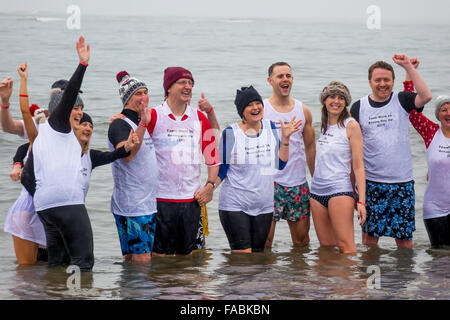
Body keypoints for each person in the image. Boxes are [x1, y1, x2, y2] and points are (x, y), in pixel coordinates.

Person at [21, 36, 95, 271]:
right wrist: (82, 64)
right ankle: (78, 295)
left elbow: (26, 176)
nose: (78, 114)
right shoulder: (59, 125)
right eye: (74, 109)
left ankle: (56, 294)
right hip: (67, 202)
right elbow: (70, 92)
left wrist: (44, 193)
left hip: (45, 207)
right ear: (60, 112)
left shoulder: (41, 135)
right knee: (83, 262)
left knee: (58, 262)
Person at [350, 54, 432, 248]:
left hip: (402, 184)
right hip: (372, 185)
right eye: (377, 80)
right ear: (370, 82)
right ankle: (371, 278)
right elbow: (352, 151)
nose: (382, 84)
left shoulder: (402, 100)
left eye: (387, 80)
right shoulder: (359, 107)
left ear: (393, 81)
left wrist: (409, 68)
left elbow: (426, 96)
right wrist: (353, 188)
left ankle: (403, 278)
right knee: (369, 243)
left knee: (404, 243)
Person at [213, 86, 301, 253]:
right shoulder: (231, 133)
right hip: (235, 204)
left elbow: (280, 164)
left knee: (258, 257)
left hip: (264, 205)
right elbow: (222, 170)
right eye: (249, 105)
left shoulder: (271, 128)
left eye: (258, 103)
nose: (255, 108)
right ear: (242, 111)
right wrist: (209, 188)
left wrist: (286, 138)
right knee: (243, 258)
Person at [145, 66, 220, 256]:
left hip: (192, 200)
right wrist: (121, 119)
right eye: (182, 82)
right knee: (159, 259)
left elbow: (212, 158)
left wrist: (210, 185)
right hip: (159, 200)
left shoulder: (199, 117)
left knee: (189, 259)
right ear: (168, 88)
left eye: (190, 83)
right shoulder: (154, 115)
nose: (188, 87)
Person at [263, 62, 316, 248]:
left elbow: (310, 147)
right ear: (270, 81)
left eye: (288, 76)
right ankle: (265, 277)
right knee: (265, 242)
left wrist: (315, 179)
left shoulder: (303, 111)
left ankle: (299, 277)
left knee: (302, 242)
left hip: (297, 184)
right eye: (280, 76)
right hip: (269, 184)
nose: (285, 79)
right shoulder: (260, 110)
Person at [310, 81, 366, 254]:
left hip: (339, 191)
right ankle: (331, 281)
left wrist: (361, 200)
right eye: (332, 96)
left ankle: (353, 281)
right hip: (317, 192)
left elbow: (358, 166)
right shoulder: (324, 126)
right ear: (325, 101)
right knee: (326, 248)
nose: (336, 101)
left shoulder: (351, 125)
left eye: (341, 98)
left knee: (346, 246)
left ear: (346, 102)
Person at [108, 71, 157, 263]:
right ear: (127, 99)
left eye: (145, 92)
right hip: (133, 205)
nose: (144, 97)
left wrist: (144, 123)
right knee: (142, 259)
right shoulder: (119, 124)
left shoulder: (139, 122)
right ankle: (140, 293)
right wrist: (144, 124)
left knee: (133, 258)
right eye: (138, 93)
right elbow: (126, 156)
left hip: (144, 203)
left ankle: (129, 291)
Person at [403, 59, 450, 248]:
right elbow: (411, 110)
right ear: (438, 115)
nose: (448, 113)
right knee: (439, 258)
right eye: (444, 110)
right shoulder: (432, 132)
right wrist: (409, 71)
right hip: (435, 209)